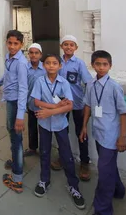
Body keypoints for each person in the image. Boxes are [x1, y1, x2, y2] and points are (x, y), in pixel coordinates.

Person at [31, 54, 86, 210]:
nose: (51, 66)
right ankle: (44, 180)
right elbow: (36, 101)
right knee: (44, 152)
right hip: (44, 124)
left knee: (66, 155)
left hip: (60, 124)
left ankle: (73, 186)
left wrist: (50, 112)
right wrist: (55, 107)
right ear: (44, 66)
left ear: (60, 66)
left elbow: (69, 106)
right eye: (48, 63)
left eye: (55, 63)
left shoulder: (64, 83)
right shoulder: (39, 81)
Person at [80, 50, 126, 215]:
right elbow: (87, 105)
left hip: (111, 136)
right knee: (108, 167)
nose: (101, 67)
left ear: (110, 66)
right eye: (98, 64)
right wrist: (84, 126)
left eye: (105, 64)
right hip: (98, 134)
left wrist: (122, 137)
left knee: (104, 174)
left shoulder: (115, 87)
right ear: (93, 65)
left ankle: (103, 210)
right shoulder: (91, 85)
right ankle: (119, 191)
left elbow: (123, 112)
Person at [52, 35, 94, 181]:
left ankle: (84, 162)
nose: (68, 47)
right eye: (66, 44)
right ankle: (63, 158)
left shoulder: (79, 64)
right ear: (61, 46)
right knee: (61, 131)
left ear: (76, 48)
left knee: (81, 133)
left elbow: (88, 82)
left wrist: (90, 101)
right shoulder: (57, 63)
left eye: (72, 45)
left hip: (77, 104)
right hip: (61, 104)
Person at [0, 30, 28, 193]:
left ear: (22, 45)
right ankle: (17, 161)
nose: (12, 46)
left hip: (15, 102)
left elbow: (23, 89)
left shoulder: (21, 62)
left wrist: (20, 116)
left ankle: (17, 179)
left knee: (16, 138)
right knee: (12, 133)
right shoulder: (9, 57)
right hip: (9, 99)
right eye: (10, 43)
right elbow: (8, 75)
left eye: (16, 44)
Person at [25, 43, 45, 157]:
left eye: (36, 53)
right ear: (29, 54)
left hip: (43, 105)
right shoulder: (25, 68)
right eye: (31, 53)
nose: (34, 55)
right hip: (31, 104)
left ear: (40, 54)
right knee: (32, 127)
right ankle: (32, 148)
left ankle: (44, 149)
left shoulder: (45, 68)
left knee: (43, 128)